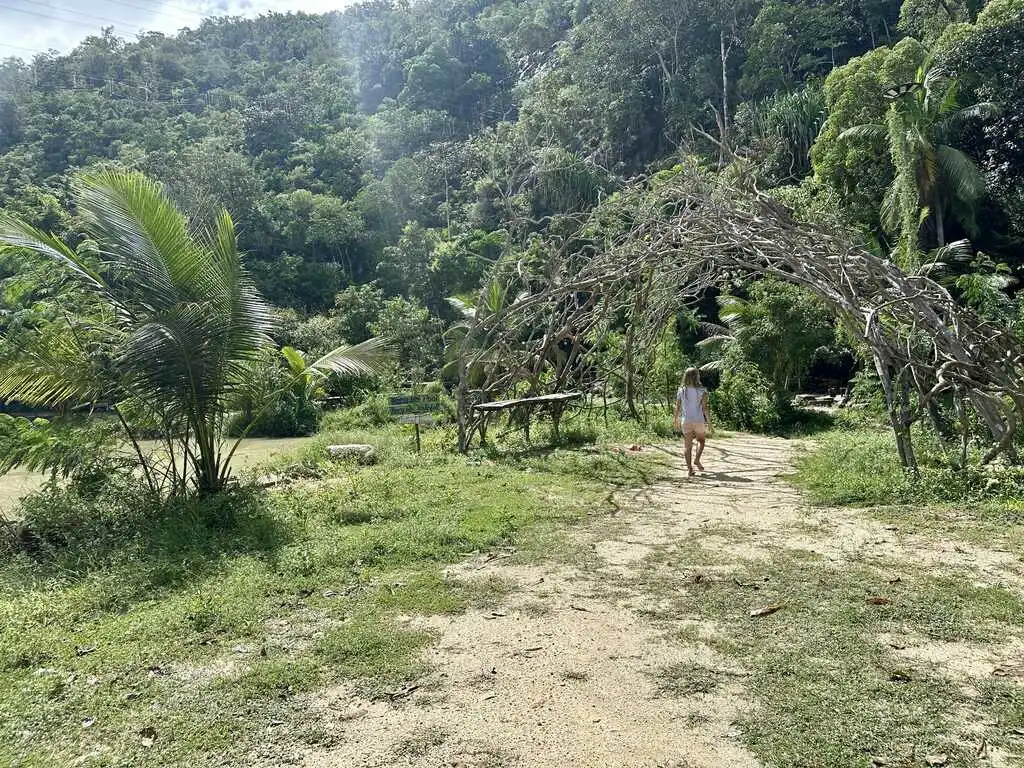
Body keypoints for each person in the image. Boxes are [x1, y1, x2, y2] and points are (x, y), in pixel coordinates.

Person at [673, 367, 711, 477]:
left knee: (687, 446)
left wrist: (675, 420)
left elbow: (678, 407)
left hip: (686, 421)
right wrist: (709, 423)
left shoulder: (681, 390)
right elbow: (704, 408)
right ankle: (697, 460)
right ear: (697, 377)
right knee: (701, 441)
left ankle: (690, 469)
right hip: (698, 420)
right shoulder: (702, 390)